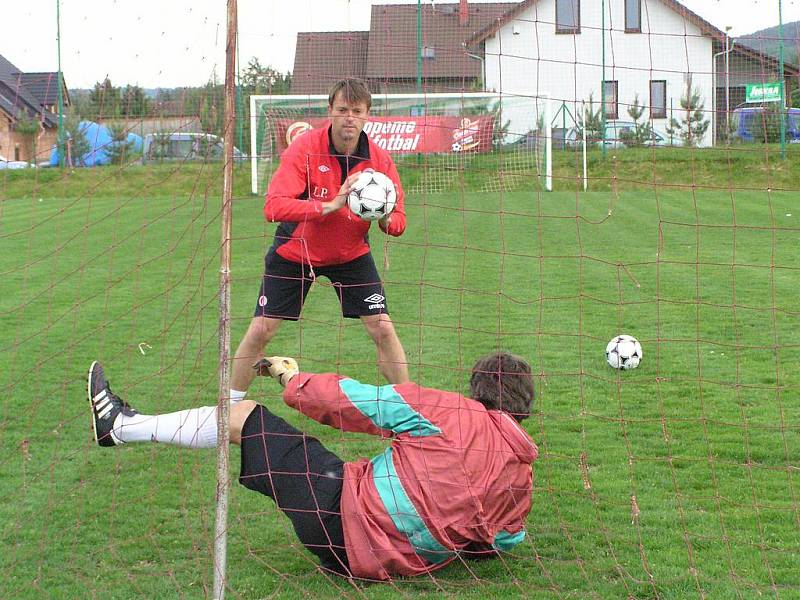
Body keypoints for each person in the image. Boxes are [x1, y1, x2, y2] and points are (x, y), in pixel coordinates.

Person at [85, 351, 538, 580]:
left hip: (337, 520)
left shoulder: (451, 411)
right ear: (525, 407)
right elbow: (506, 538)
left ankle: (120, 426)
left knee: (244, 418)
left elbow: (350, 400)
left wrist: (290, 377)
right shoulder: (523, 473)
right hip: (396, 565)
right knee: (340, 467)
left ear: (476, 389)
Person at [230, 78, 409, 407]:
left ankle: (411, 406)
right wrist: (328, 206)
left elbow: (399, 219)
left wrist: (384, 219)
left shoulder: (379, 161)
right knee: (261, 330)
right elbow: (273, 206)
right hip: (296, 253)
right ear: (330, 111)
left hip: (351, 254)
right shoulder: (305, 148)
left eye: (356, 111)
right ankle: (228, 407)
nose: (349, 118)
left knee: (383, 329)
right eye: (342, 110)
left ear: (367, 115)